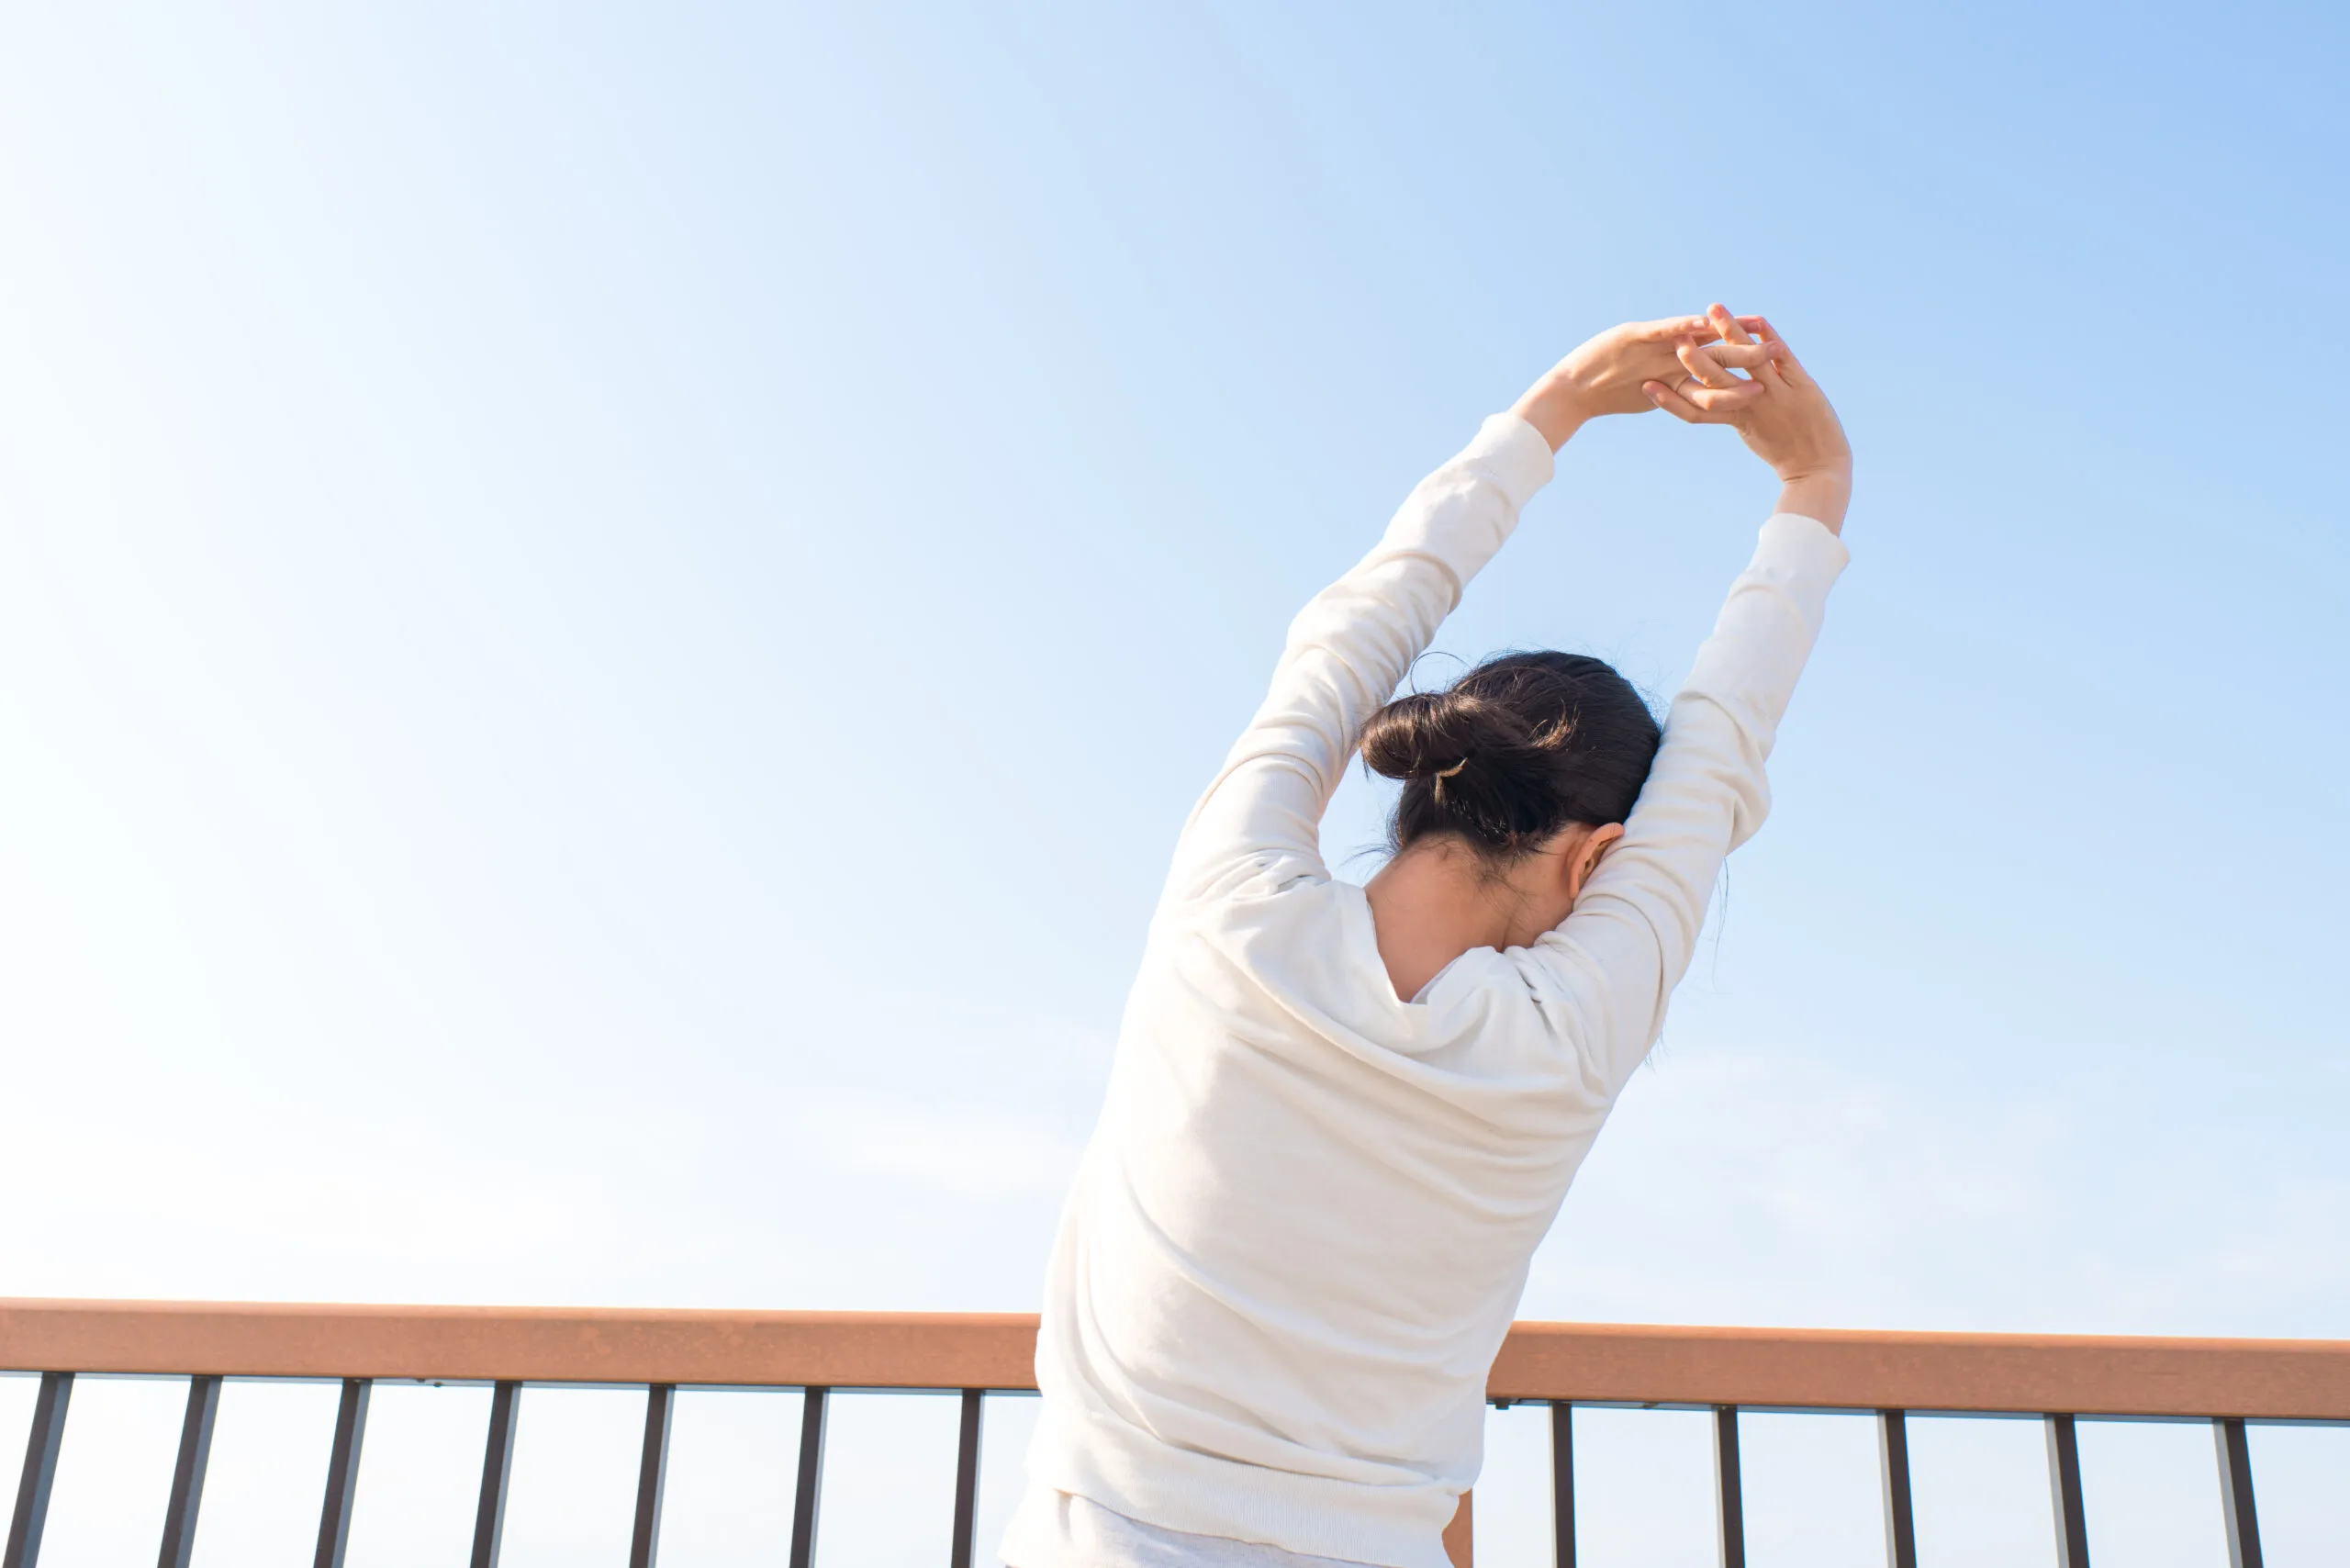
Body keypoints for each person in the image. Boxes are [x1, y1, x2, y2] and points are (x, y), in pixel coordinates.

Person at [1002, 305, 1853, 1568]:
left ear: (1419, 783)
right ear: (1598, 856)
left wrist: (1555, 405)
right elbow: (1719, 747)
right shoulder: (1564, 1041)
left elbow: (1351, 637)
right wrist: (1813, 480)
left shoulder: (1227, 913)